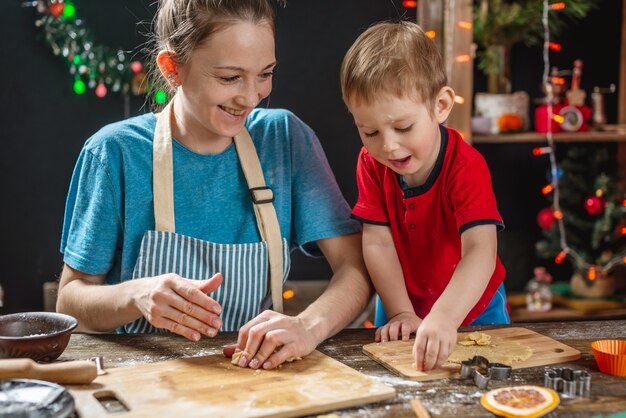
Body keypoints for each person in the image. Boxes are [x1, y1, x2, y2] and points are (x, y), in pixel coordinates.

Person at [57, 0, 372, 371]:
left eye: (265, 73)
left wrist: (307, 326)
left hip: (259, 377)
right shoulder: (114, 153)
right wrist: (136, 295)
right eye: (229, 77)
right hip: (144, 380)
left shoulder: (285, 139)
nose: (251, 97)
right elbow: (70, 300)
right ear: (172, 68)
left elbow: (356, 268)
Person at [340, 21, 510, 372]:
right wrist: (401, 310)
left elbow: (481, 250)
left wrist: (446, 316)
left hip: (475, 306)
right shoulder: (372, 163)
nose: (387, 145)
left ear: (441, 105)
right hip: (401, 301)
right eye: (369, 131)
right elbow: (378, 244)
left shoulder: (466, 166)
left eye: (403, 128)